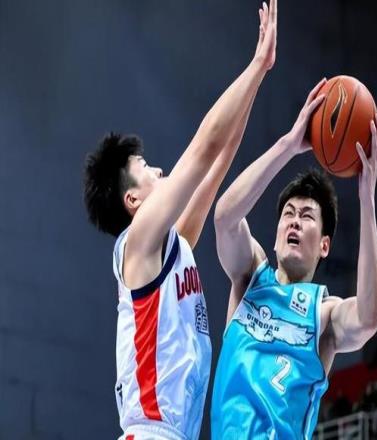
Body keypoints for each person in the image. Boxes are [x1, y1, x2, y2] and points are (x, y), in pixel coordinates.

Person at [82, 1, 278, 438]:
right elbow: (204, 146)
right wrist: (255, 64)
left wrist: (260, 78)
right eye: (145, 168)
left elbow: (220, 157)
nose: (158, 169)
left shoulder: (173, 247)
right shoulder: (138, 243)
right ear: (132, 199)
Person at [211, 80, 377, 439]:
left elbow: (368, 317)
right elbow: (225, 218)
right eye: (288, 214)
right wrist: (289, 145)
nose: (294, 221)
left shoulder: (324, 314)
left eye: (306, 217)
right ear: (276, 236)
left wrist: (366, 199)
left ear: (324, 245)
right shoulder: (250, 278)